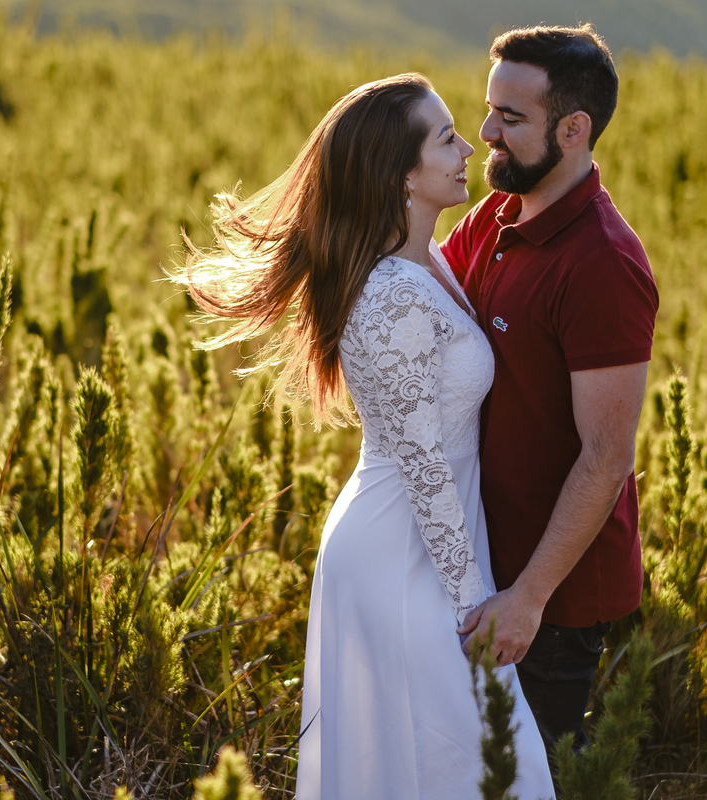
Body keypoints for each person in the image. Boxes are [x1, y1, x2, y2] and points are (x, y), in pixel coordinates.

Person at [177, 74, 555, 799]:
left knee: (462, 763)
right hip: (401, 554)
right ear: (400, 174)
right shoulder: (392, 294)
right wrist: (476, 606)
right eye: (445, 138)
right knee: (473, 760)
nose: (468, 145)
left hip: (426, 543)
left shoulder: (430, 263)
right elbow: (421, 462)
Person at [443, 25, 659, 769]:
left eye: (511, 118)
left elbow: (606, 458)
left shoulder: (602, 264)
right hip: (487, 566)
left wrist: (530, 597)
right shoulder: (499, 214)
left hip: (555, 596)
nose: (485, 133)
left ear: (573, 130)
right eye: (488, 109)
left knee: (536, 777)